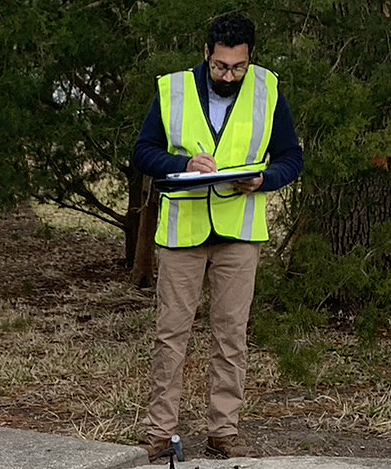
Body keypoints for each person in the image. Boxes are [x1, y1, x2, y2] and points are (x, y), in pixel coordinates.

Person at [133, 12, 303, 460]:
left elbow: (291, 157)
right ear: (205, 53)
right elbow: (142, 151)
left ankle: (223, 431)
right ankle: (159, 432)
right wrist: (182, 165)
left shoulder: (268, 90)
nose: (229, 75)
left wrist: (263, 178)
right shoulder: (172, 89)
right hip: (182, 232)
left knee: (232, 335)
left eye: (238, 67)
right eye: (221, 66)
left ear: (250, 59)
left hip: (239, 233)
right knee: (171, 335)